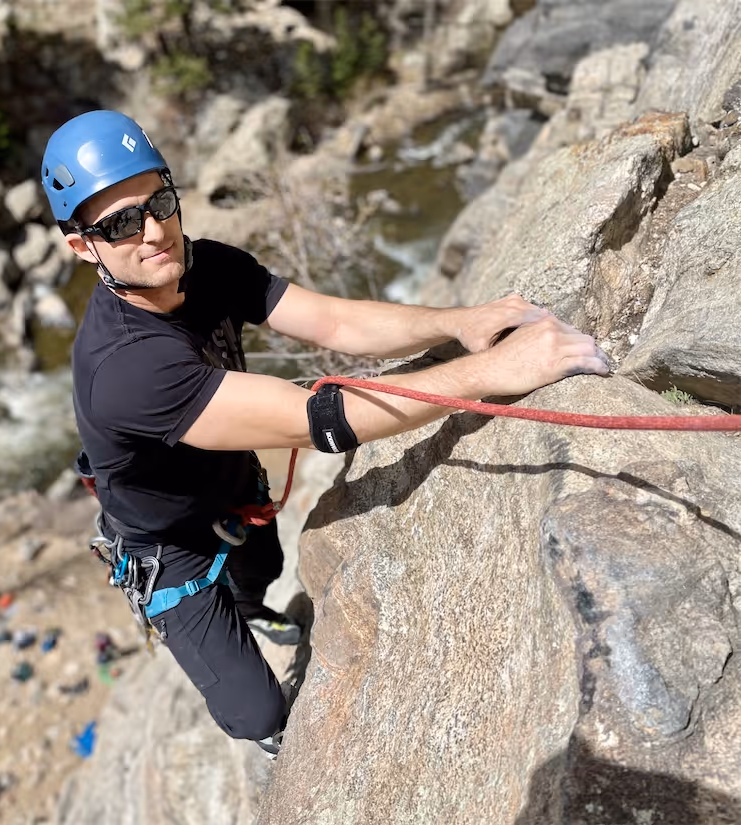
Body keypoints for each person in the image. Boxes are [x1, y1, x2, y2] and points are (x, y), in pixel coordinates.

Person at [40, 110, 609, 757]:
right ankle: (252, 697)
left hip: (227, 485)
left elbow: (335, 323)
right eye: (118, 223)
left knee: (264, 568)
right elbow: (323, 422)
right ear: (82, 246)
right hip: (166, 544)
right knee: (256, 710)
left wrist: (462, 320)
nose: (153, 231)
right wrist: (496, 370)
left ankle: (248, 602)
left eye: (160, 202)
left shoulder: (207, 266)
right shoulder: (126, 368)